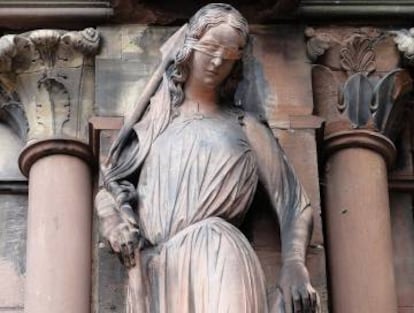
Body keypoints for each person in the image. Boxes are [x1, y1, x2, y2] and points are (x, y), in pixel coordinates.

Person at [95, 3, 319, 313]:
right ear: (188, 47)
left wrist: (294, 264)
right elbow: (112, 184)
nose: (216, 61)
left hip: (220, 256)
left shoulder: (246, 127)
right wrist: (112, 220)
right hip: (157, 268)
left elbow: (294, 204)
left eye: (228, 56)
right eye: (211, 48)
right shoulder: (152, 126)